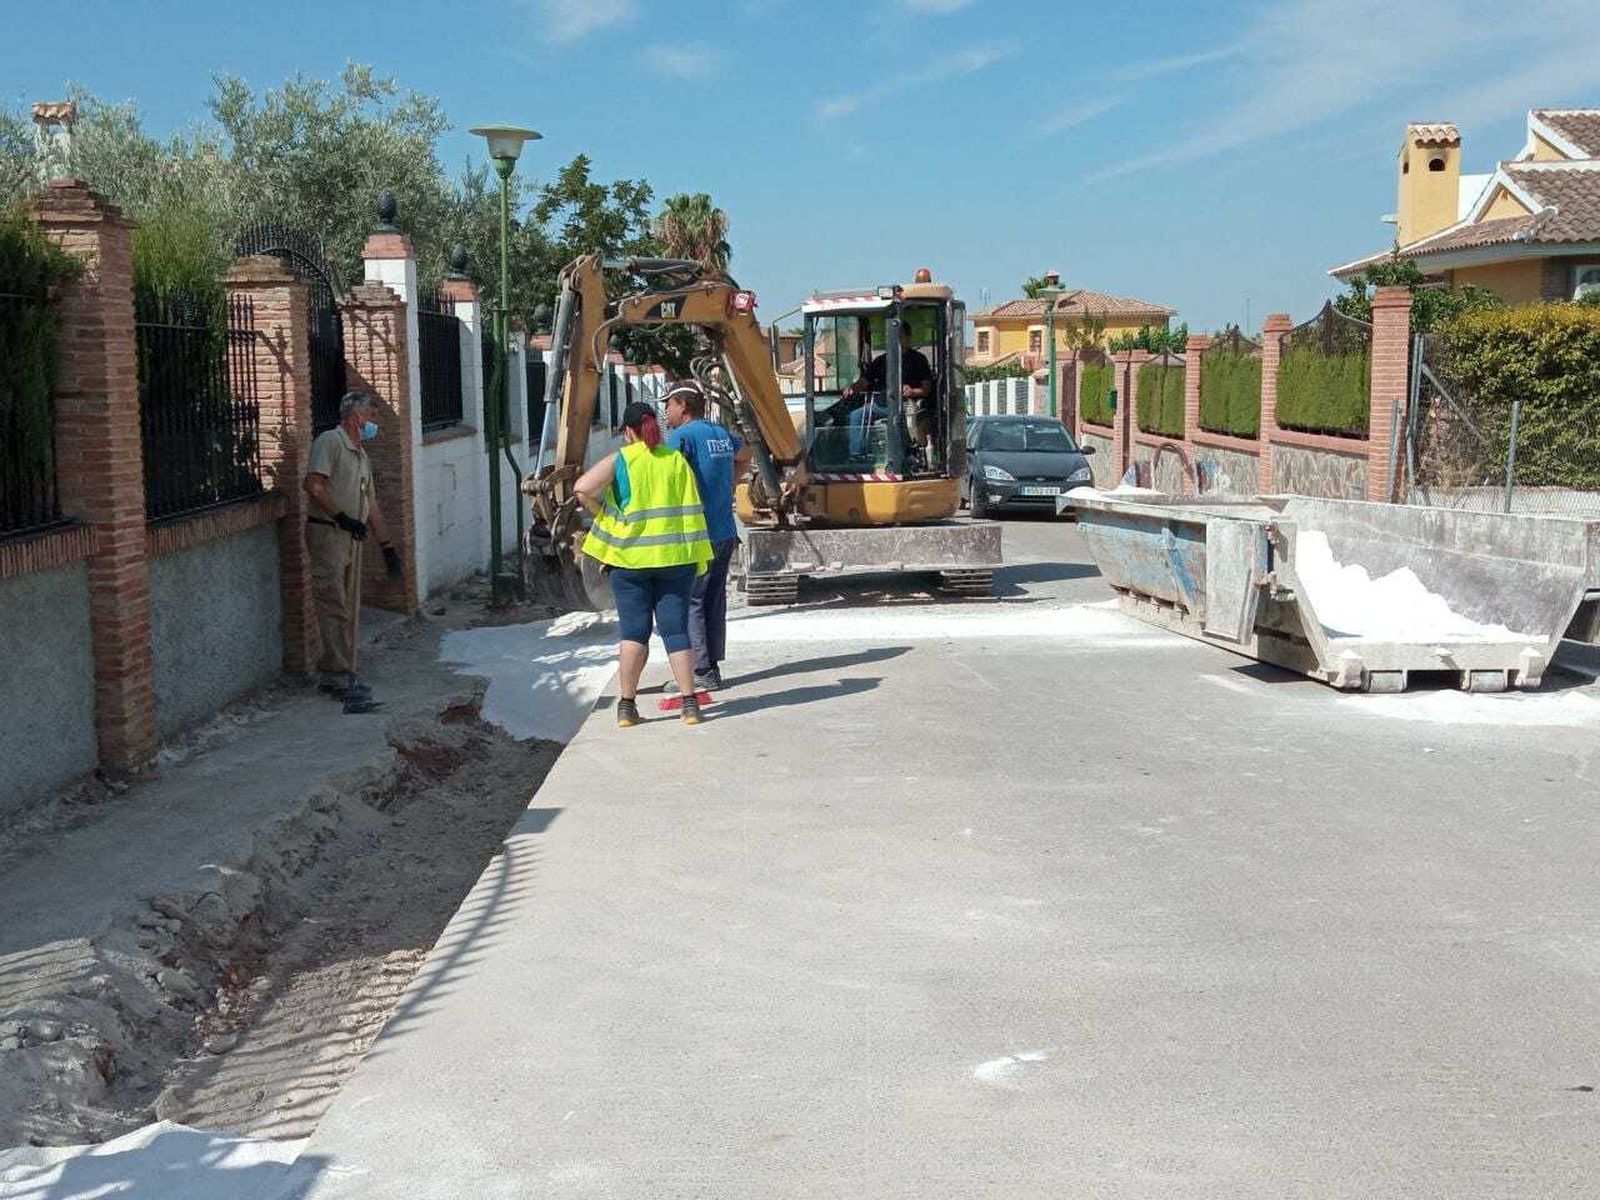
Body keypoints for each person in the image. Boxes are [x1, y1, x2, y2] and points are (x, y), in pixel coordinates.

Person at [574, 400, 715, 727]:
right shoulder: (676, 461)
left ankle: (626, 707)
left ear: (627, 431)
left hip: (629, 563)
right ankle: (690, 704)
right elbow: (691, 508)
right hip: (675, 560)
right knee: (676, 630)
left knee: (634, 632)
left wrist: (606, 517)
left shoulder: (621, 459)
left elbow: (582, 489)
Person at [303, 392, 404, 714]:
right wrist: (340, 516)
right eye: (371, 417)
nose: (374, 424)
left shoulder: (361, 455)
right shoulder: (330, 442)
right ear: (356, 416)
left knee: (346, 607)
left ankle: (340, 672)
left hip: (350, 538)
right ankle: (340, 675)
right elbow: (313, 484)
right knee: (334, 604)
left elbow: (370, 503)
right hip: (328, 534)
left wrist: (387, 546)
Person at [662, 381, 750, 693]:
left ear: (683, 405)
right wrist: (727, 484)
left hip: (699, 535)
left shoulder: (682, 437)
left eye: (669, 404)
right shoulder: (719, 433)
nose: (666, 411)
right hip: (726, 531)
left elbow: (664, 476)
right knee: (714, 600)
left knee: (691, 601)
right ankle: (711, 664)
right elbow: (746, 455)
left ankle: (701, 670)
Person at [842, 322, 936, 454]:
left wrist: (912, 391)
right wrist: (852, 388)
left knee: (903, 421)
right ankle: (857, 455)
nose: (894, 339)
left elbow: (926, 388)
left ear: (908, 337)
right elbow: (863, 382)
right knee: (856, 415)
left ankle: (905, 456)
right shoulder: (880, 360)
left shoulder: (919, 360)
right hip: (881, 405)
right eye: (891, 336)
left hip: (907, 406)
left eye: (899, 336)